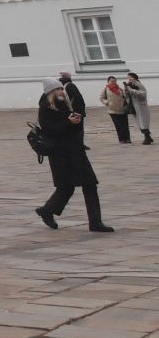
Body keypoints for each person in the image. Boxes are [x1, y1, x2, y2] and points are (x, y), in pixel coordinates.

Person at [36, 78, 112, 232]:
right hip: (60, 155)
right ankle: (47, 211)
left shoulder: (64, 104)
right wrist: (68, 123)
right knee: (66, 188)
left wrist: (76, 122)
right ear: (50, 92)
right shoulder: (45, 109)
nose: (61, 92)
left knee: (90, 185)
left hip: (76, 151)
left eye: (61, 89)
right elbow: (51, 131)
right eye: (57, 89)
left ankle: (95, 222)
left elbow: (72, 128)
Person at [101, 78, 132, 144]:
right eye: (112, 81)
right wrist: (106, 102)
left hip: (122, 110)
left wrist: (126, 90)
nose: (113, 82)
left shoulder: (119, 88)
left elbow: (125, 96)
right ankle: (121, 139)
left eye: (115, 81)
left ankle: (127, 139)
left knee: (125, 125)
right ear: (108, 82)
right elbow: (101, 97)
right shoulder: (106, 89)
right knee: (118, 126)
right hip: (113, 111)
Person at [125, 73, 153, 145]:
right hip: (134, 107)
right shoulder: (129, 85)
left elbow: (143, 94)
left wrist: (131, 90)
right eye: (128, 77)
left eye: (130, 77)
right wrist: (126, 91)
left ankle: (147, 139)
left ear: (134, 77)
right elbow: (128, 96)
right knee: (140, 123)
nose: (129, 79)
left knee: (143, 123)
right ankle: (148, 137)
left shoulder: (138, 84)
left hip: (141, 107)